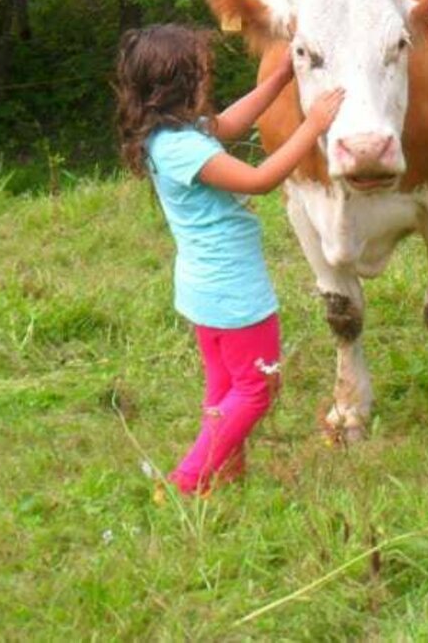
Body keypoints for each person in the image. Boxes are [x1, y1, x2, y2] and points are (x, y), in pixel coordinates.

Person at [115, 24, 344, 495]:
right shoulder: (183, 149)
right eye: (202, 72)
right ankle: (186, 481)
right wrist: (313, 126)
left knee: (225, 386)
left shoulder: (172, 133)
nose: (209, 79)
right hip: (232, 289)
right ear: (183, 83)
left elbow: (233, 124)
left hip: (204, 287)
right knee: (258, 388)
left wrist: (279, 79)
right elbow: (259, 179)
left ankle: (227, 467)